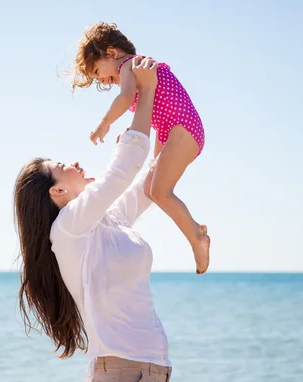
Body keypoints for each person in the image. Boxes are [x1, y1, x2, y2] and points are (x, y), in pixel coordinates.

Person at [14, 57, 201, 382]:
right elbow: (123, 168)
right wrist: (143, 93)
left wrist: (167, 123)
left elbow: (146, 187)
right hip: (123, 374)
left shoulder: (104, 222)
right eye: (62, 167)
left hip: (153, 371)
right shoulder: (69, 228)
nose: (74, 163)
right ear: (57, 191)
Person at [72, 22, 210, 273]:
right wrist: (131, 131)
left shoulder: (129, 65)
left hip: (182, 129)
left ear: (111, 53)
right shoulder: (136, 70)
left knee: (160, 191)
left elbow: (125, 98)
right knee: (149, 189)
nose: (103, 80)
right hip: (171, 130)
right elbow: (153, 108)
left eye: (98, 71)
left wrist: (105, 124)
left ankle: (197, 238)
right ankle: (194, 228)